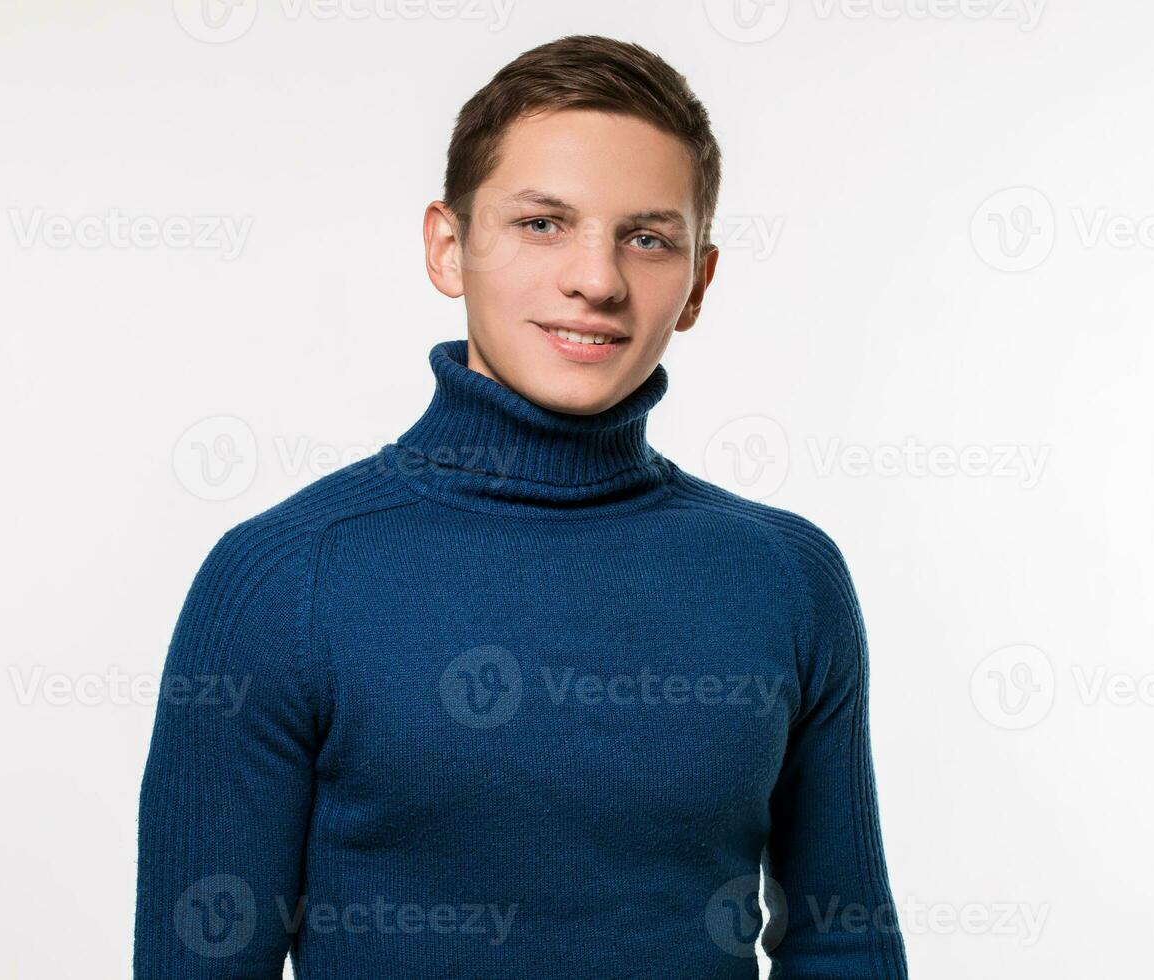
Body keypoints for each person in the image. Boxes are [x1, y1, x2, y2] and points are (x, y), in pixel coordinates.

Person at [134, 33, 909, 980]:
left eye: (648, 237)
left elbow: (843, 939)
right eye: (543, 223)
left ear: (700, 284)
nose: (597, 279)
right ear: (448, 246)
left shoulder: (785, 577)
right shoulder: (286, 578)